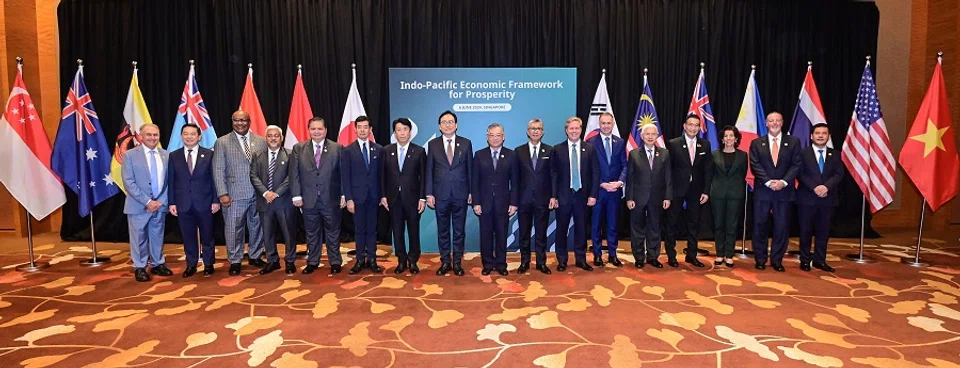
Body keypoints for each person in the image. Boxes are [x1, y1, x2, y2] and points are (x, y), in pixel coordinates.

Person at [213, 110, 267, 276]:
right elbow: (218, 168)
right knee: (233, 228)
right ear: (232, 121)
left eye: (243, 120)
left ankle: (255, 255)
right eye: (236, 120)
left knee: (257, 226)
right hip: (234, 194)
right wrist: (222, 193)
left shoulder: (261, 141)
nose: (240, 123)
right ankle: (235, 260)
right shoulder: (222, 142)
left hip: (257, 194)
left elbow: (265, 168)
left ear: (249, 121)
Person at [749, 111, 802, 272]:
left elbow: (796, 164)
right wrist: (768, 181)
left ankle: (777, 260)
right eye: (771, 121)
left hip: (784, 191)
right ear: (766, 123)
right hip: (763, 191)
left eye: (777, 120)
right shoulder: (757, 143)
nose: (774, 123)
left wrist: (783, 182)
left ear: (782, 122)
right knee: (759, 225)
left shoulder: (793, 142)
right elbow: (755, 164)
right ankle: (760, 258)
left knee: (782, 226)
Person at [291, 117, 345, 275]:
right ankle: (313, 261)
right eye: (313, 129)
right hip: (308, 199)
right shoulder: (298, 148)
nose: (316, 132)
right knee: (312, 232)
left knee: (333, 231)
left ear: (325, 130)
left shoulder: (337, 148)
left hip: (331, 198)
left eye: (319, 129)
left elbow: (343, 174)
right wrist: (296, 196)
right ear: (309, 130)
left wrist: (343, 194)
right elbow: (294, 174)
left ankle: (335, 261)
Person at [167, 124, 219, 277]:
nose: (189, 137)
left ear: (199, 136)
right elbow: (171, 181)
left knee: (207, 235)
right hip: (183, 203)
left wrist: (216, 200)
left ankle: (209, 264)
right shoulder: (173, 156)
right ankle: (191, 264)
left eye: (192, 134)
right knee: (188, 236)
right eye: (186, 134)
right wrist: (172, 202)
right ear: (181, 136)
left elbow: (215, 179)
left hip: (205, 202)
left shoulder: (209, 154)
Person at [426, 110, 473, 276]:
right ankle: (445, 262)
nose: (448, 124)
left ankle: (458, 263)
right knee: (443, 230)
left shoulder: (466, 143)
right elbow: (429, 170)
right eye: (444, 122)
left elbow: (470, 170)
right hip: (440, 195)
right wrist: (429, 194)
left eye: (451, 121)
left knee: (459, 231)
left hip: (460, 194)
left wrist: (471, 192)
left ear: (456, 125)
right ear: (439, 126)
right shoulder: (433, 145)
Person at [549, 117, 599, 272]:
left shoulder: (589, 148)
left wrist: (593, 195)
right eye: (571, 128)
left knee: (582, 229)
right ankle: (562, 260)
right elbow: (554, 175)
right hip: (563, 196)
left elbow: (595, 173)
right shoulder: (557, 149)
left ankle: (581, 259)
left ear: (581, 129)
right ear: (566, 130)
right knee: (562, 229)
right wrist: (554, 196)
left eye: (577, 128)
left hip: (583, 197)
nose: (574, 131)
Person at [121, 124, 171, 282]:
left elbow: (170, 181)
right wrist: (148, 201)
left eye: (155, 135)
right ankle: (140, 267)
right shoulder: (130, 155)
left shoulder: (166, 155)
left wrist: (160, 202)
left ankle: (158, 264)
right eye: (148, 135)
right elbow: (128, 182)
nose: (152, 138)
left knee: (157, 236)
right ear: (140, 136)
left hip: (160, 205)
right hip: (138, 205)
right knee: (139, 238)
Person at [664, 114, 714, 268]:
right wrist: (668, 193)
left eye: (696, 125)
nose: (693, 128)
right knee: (672, 223)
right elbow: (668, 170)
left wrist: (706, 191)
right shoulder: (673, 144)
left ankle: (691, 256)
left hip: (696, 192)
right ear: (684, 126)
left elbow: (708, 170)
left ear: (699, 128)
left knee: (693, 224)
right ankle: (671, 256)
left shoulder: (705, 144)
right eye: (690, 125)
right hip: (677, 190)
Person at [381, 118, 427, 274]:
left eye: (405, 129)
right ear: (395, 133)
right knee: (397, 231)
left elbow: (424, 177)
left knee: (414, 231)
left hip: (413, 199)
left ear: (410, 132)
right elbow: (382, 176)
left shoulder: (419, 151)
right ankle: (401, 260)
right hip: (393, 199)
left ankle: (413, 260)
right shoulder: (386, 150)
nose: (402, 132)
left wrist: (422, 198)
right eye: (399, 129)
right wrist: (383, 196)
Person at [472, 123, 519, 276]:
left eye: (498, 135)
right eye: (492, 135)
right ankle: (487, 264)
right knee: (485, 235)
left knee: (501, 234)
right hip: (484, 203)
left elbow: (515, 181)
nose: (495, 138)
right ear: (487, 137)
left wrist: (513, 203)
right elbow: (475, 181)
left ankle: (500, 264)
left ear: (503, 137)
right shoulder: (479, 155)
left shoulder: (511, 155)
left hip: (503, 203)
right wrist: (476, 202)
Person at [250, 125, 297, 275]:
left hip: (284, 201)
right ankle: (273, 261)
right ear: (266, 138)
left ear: (281, 138)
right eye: (270, 136)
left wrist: (276, 193)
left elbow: (292, 177)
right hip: (265, 202)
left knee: (288, 233)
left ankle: (290, 261)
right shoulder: (257, 155)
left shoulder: (290, 155)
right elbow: (253, 176)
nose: (273, 138)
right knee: (268, 234)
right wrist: (265, 193)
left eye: (276, 136)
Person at [797, 123, 844, 272]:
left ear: (828, 136)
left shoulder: (835, 154)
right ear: (812, 136)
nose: (821, 135)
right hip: (807, 198)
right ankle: (804, 260)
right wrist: (815, 187)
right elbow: (800, 173)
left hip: (827, 199)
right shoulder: (803, 153)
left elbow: (839, 174)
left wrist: (826, 187)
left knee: (823, 232)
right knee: (805, 231)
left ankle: (819, 260)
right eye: (817, 133)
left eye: (824, 133)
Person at [626, 124, 672, 268]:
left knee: (654, 228)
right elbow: (630, 178)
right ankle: (639, 257)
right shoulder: (634, 154)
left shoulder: (664, 153)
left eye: (653, 134)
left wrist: (667, 197)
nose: (650, 137)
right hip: (638, 198)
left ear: (657, 136)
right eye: (647, 134)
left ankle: (653, 257)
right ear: (642, 136)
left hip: (657, 198)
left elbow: (668, 177)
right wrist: (629, 198)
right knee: (637, 228)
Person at [342, 116, 383, 274]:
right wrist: (349, 198)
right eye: (359, 127)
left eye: (366, 127)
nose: (363, 130)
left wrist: (382, 196)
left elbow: (381, 176)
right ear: (355, 129)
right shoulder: (348, 150)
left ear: (370, 129)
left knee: (372, 229)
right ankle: (359, 260)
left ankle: (372, 259)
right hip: (357, 198)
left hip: (374, 197)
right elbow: (345, 177)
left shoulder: (378, 149)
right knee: (359, 230)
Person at [586, 112, 627, 267]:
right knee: (596, 224)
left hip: (615, 191)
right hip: (598, 191)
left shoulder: (620, 142)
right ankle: (597, 254)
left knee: (612, 224)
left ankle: (612, 254)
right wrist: (601, 183)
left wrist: (619, 182)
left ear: (613, 124)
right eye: (603, 123)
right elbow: (588, 169)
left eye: (609, 123)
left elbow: (625, 165)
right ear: (599, 124)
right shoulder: (590, 142)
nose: (606, 126)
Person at [514, 118, 553, 274]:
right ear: (527, 131)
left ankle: (541, 262)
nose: (535, 131)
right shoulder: (519, 151)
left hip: (543, 199)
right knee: (524, 233)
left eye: (538, 128)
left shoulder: (550, 151)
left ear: (542, 132)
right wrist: (514, 200)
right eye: (532, 128)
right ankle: (524, 262)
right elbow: (515, 179)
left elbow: (553, 176)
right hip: (524, 200)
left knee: (541, 233)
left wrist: (553, 196)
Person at [710, 126, 747, 268]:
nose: (729, 138)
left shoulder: (743, 155)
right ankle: (719, 254)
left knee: (731, 225)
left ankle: (729, 254)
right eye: (726, 136)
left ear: (736, 139)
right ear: (722, 139)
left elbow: (742, 174)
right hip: (717, 194)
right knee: (719, 224)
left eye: (731, 136)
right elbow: (710, 174)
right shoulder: (714, 155)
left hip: (735, 194)